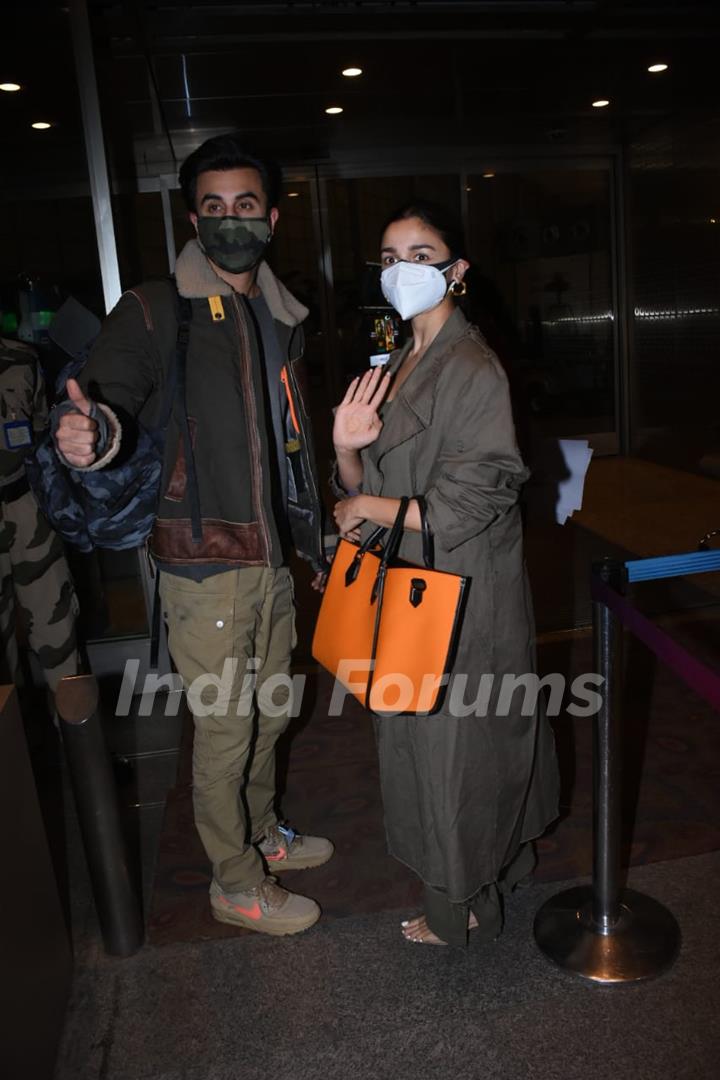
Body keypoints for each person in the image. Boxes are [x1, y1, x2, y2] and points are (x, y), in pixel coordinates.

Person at [53, 134, 332, 937]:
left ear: (272, 218)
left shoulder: (281, 314)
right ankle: (234, 881)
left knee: (273, 710)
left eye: (246, 205)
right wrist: (92, 431)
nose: (229, 221)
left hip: (274, 553)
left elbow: (285, 437)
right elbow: (108, 395)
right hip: (203, 560)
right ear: (192, 216)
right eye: (213, 207)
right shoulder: (153, 306)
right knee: (225, 726)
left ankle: (261, 834)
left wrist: (312, 532)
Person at [332, 201, 559, 946]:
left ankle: (461, 909)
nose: (403, 270)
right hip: (414, 587)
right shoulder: (397, 363)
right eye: (391, 257)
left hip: (462, 594)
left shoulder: (471, 366)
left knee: (457, 753)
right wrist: (345, 454)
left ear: (456, 273)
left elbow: (479, 493)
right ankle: (504, 865)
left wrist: (365, 499)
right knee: (439, 746)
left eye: (422, 255)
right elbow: (377, 479)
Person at [0, 335, 79, 701]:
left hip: (26, 507)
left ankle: (82, 752)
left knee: (59, 635)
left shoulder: (21, 358)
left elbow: (42, 433)